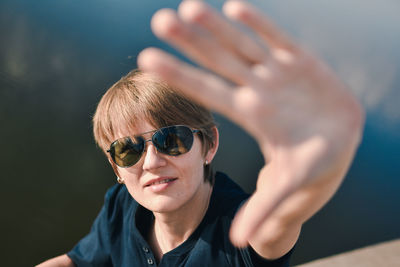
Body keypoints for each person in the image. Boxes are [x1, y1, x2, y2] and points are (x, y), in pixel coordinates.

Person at [37, 0, 364, 266]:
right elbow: (76, 261)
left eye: (172, 140)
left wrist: (310, 179)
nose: (151, 162)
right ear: (116, 169)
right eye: (128, 150)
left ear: (209, 145)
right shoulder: (121, 207)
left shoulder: (237, 231)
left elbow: (278, 219)